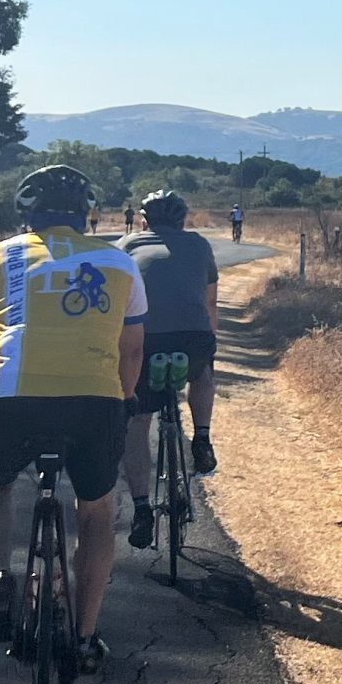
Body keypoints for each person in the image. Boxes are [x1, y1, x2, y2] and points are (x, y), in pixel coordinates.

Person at [0, 164, 145, 674]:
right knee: (96, 512)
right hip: (95, 400)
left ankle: (0, 574)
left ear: (26, 212)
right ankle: (86, 636)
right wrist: (125, 400)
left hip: (13, 396)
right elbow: (131, 351)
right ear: (86, 214)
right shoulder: (119, 261)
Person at [117, 190, 221, 547]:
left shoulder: (127, 244)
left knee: (138, 420)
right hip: (193, 336)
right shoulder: (200, 245)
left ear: (144, 220)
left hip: (144, 341)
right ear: (182, 220)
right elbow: (209, 301)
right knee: (204, 374)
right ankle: (202, 438)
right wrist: (210, 345)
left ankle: (142, 508)